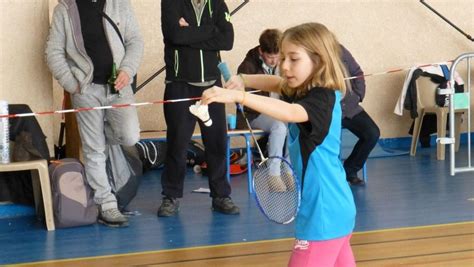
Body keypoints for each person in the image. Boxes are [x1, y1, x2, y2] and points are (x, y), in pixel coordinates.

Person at [201, 22, 357, 266]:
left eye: (293, 59)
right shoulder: (307, 89)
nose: (284, 66)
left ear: (319, 61)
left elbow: (292, 112)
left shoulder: (320, 99)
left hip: (322, 211)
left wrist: (240, 96)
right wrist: (243, 79)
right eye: (283, 57)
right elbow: (276, 84)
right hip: (338, 207)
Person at [45, 0, 143, 227]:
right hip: (86, 91)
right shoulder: (65, 10)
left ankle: (100, 141)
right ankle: (107, 205)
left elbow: (135, 41)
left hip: (120, 88)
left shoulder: (120, 4)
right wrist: (73, 84)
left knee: (130, 135)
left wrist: (127, 70)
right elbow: (53, 52)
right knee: (94, 150)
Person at [158, 0, 239, 217]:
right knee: (177, 144)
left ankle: (221, 195)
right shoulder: (171, 3)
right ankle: (171, 197)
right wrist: (211, 31)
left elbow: (227, 39)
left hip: (212, 87)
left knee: (217, 143)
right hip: (180, 85)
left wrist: (191, 33)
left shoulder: (218, 4)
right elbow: (174, 35)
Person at [237, 29, 288, 190]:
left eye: (277, 56)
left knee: (294, 124)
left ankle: (288, 172)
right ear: (261, 51)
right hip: (255, 114)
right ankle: (274, 175)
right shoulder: (247, 66)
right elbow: (245, 101)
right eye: (270, 57)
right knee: (279, 126)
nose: (274, 61)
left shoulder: (286, 63)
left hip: (281, 111)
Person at [340, 46, 380, 186]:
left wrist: (358, 95)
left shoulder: (340, 51)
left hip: (350, 107)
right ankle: (331, 176)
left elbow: (357, 73)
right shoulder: (312, 57)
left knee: (372, 134)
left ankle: (350, 170)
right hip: (328, 110)